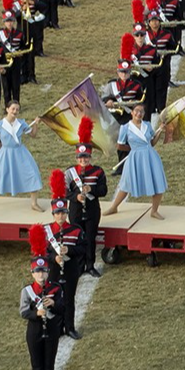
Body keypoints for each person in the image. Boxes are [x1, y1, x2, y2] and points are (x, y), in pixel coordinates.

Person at [102, 103, 167, 221]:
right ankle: (114, 207)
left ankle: (154, 211)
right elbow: (120, 145)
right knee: (126, 183)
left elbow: (152, 143)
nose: (139, 113)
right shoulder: (125, 128)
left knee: (157, 182)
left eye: (141, 111)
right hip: (135, 158)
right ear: (132, 112)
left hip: (151, 156)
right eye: (136, 111)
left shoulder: (147, 125)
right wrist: (133, 149)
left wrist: (160, 131)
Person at [21, 231, 63, 370]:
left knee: (49, 362)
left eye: (44, 271)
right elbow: (23, 312)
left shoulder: (56, 288)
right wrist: (36, 314)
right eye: (37, 272)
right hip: (35, 330)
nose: (41, 275)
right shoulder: (27, 291)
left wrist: (53, 304)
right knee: (36, 363)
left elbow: (63, 308)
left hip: (52, 329)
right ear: (32, 273)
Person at [44, 178, 86, 341]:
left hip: (70, 269)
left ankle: (69, 327)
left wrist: (69, 250)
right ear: (53, 214)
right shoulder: (45, 231)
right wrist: (54, 257)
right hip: (53, 271)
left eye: (63, 213)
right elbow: (40, 254)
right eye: (57, 213)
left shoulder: (75, 230)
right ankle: (57, 327)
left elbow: (83, 248)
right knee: (54, 299)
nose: (60, 216)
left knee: (69, 298)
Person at [67, 118, 107, 277]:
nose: (83, 160)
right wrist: (76, 196)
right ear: (77, 158)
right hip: (76, 210)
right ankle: (79, 265)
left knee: (90, 239)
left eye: (86, 157)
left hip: (91, 210)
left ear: (90, 157)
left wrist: (92, 189)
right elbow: (63, 192)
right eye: (80, 158)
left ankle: (90, 265)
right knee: (77, 239)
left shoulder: (98, 171)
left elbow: (104, 190)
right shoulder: (69, 172)